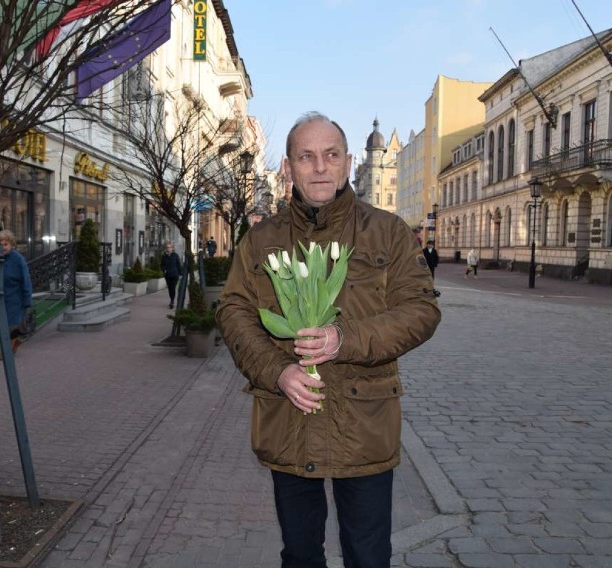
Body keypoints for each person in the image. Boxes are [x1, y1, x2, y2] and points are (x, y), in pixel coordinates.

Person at [216, 111, 441, 567]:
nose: (319, 167)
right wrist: (276, 371)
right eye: (306, 156)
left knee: (368, 554)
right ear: (289, 167)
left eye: (330, 155)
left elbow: (421, 310)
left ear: (347, 161)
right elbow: (233, 311)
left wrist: (347, 338)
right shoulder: (262, 240)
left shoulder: (388, 232)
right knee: (299, 554)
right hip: (288, 419)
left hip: (364, 424)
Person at [0, 230, 32, 355]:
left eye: (6, 244)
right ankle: (13, 344)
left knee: (11, 326)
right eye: (0, 244)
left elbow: (26, 280)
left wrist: (27, 299)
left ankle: (6, 353)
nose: (3, 247)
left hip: (14, 299)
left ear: (12, 245)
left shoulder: (18, 260)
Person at [160, 242, 183, 309]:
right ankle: (172, 299)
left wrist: (181, 274)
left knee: (173, 287)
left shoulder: (175, 255)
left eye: (169, 247)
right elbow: (161, 265)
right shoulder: (164, 256)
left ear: (172, 248)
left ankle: (172, 301)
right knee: (170, 288)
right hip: (167, 275)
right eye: (167, 247)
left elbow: (178, 265)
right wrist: (164, 270)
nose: (168, 249)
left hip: (175, 274)